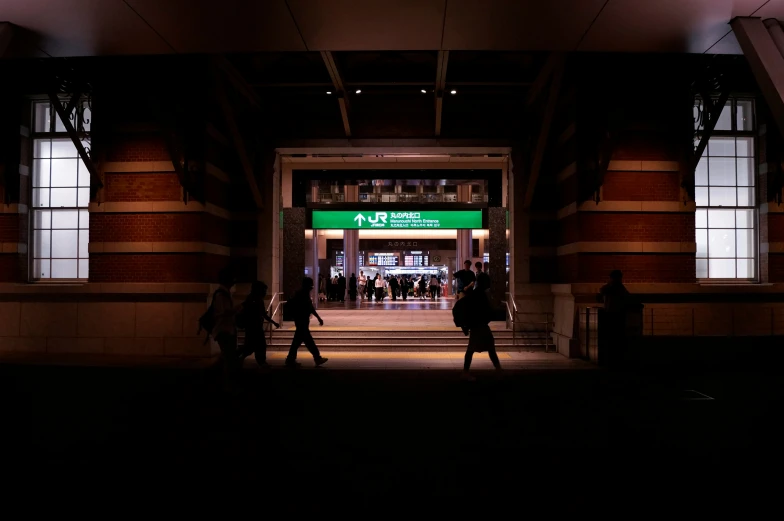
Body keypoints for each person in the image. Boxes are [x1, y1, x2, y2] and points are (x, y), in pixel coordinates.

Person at [456, 276, 501, 381]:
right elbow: (483, 310)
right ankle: (466, 371)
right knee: (483, 348)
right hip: (479, 325)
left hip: (477, 325)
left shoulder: (476, 293)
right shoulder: (479, 294)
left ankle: (498, 369)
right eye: (488, 282)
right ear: (483, 283)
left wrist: (465, 325)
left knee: (484, 347)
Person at [285, 277, 329, 367]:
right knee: (308, 341)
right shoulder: (302, 294)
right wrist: (318, 318)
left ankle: (290, 359)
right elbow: (310, 307)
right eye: (311, 284)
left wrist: (318, 317)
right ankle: (317, 357)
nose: (312, 287)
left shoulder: (302, 293)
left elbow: (310, 307)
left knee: (297, 341)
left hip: (301, 320)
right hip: (302, 320)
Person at [212, 267, 244, 390]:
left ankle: (220, 380)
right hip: (224, 330)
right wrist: (238, 308)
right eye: (232, 279)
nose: (234, 281)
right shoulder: (221, 294)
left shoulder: (224, 293)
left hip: (227, 329)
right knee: (229, 358)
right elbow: (224, 312)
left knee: (227, 356)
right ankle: (227, 383)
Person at [238, 281, 280, 368]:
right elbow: (262, 314)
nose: (265, 293)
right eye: (264, 290)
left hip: (252, 326)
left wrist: (273, 322)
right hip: (254, 327)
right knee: (259, 345)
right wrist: (274, 322)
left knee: (250, 346)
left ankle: (239, 357)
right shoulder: (256, 300)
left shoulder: (252, 298)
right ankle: (260, 361)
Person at [597, 269, 632, 368]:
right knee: (616, 338)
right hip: (616, 315)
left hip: (611, 314)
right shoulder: (617, 287)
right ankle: (616, 360)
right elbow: (627, 297)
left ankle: (611, 359)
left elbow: (602, 291)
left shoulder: (612, 287)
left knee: (612, 338)